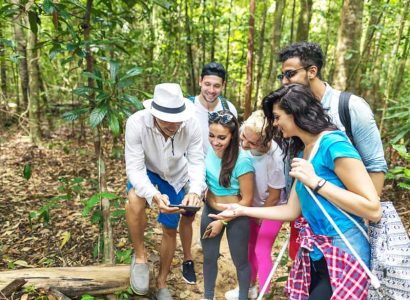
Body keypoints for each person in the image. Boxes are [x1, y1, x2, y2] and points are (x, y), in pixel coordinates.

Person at [210, 84, 382, 299]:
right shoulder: (303, 151)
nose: (275, 123)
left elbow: (373, 209)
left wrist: (317, 182)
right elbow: (291, 210)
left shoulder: (334, 144)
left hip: (344, 253)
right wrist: (241, 210)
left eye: (277, 116)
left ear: (295, 113)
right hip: (317, 254)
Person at [276, 41, 387, 259]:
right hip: (309, 217)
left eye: (289, 74)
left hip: (345, 225)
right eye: (282, 76)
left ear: (312, 71)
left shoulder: (350, 107)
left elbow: (375, 166)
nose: (284, 82)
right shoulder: (290, 110)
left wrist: (363, 218)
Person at [125, 83, 205, 300]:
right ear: (154, 114)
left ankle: (162, 281)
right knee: (135, 198)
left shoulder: (191, 124)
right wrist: (153, 195)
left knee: (170, 227)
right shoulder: (136, 123)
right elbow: (135, 168)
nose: (174, 126)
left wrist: (196, 190)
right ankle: (140, 257)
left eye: (177, 122)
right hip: (148, 171)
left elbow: (197, 161)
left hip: (177, 175)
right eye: (167, 123)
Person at [224, 110, 286, 299]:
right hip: (250, 203)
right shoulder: (243, 140)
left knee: (262, 249)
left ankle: (264, 293)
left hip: (273, 207)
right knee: (249, 247)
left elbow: (274, 195)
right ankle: (248, 287)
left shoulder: (276, 157)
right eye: (243, 137)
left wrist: (259, 216)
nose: (244, 144)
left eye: (252, 143)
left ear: (265, 141)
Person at [201, 110, 254, 300]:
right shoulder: (209, 152)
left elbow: (247, 200)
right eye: (211, 135)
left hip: (235, 216)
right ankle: (208, 297)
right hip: (210, 209)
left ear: (233, 136)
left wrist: (222, 222)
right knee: (208, 257)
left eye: (221, 137)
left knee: (240, 261)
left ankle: (242, 297)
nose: (215, 141)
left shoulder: (243, 160)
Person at [189, 62, 238, 154]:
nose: (211, 90)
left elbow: (234, 143)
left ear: (223, 85)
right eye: (207, 84)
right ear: (200, 81)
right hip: (190, 164)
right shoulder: (187, 107)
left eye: (216, 86)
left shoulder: (229, 109)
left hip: (219, 165)